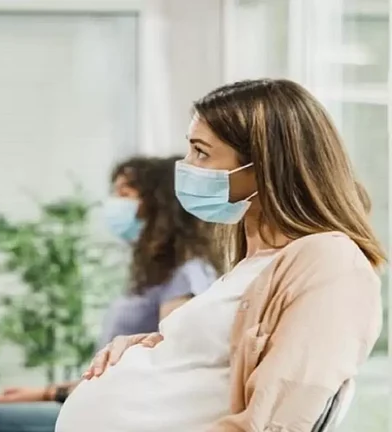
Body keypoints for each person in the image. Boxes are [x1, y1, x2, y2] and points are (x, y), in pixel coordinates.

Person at [55, 79, 386, 432]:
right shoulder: (253, 263)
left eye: (201, 152)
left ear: (264, 165)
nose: (186, 166)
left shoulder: (331, 263)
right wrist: (139, 348)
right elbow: (217, 357)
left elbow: (277, 418)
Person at [0, 156, 224, 432]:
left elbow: (164, 364)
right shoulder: (155, 275)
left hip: (114, 416)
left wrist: (54, 394)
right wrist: (48, 392)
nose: (113, 203)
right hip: (94, 403)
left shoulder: (188, 273)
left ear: (158, 203)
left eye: (125, 192)